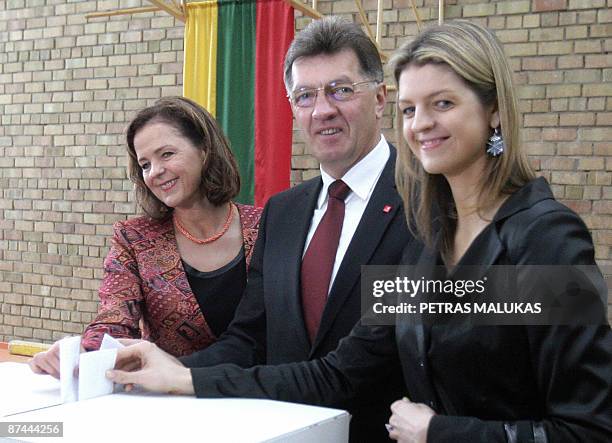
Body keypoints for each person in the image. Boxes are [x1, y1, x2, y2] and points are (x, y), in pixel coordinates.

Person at [108, 21, 612, 442]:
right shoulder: (434, 235)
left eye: (443, 104)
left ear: (494, 109)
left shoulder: (545, 235)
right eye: (412, 109)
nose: (420, 125)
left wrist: (440, 432)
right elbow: (340, 369)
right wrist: (180, 374)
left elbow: (588, 427)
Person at [119, 16, 412, 442]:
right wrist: (172, 367)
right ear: (292, 108)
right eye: (305, 96)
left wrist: (192, 382)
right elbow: (250, 337)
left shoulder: (427, 203)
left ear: (381, 98)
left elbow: (360, 368)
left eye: (341, 90)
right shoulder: (284, 212)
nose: (323, 109)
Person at [29, 97, 262, 377]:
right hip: (171, 401)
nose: (155, 172)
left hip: (267, 398)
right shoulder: (135, 239)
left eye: (166, 154)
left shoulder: (267, 225)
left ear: (204, 150)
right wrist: (83, 350)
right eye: (145, 164)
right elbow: (114, 317)